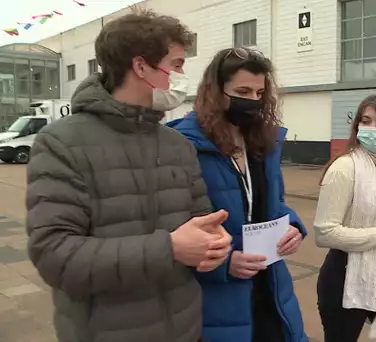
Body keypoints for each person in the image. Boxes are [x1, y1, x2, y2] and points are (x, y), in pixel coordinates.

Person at [25, 11, 232, 342]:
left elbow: (201, 222)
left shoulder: (177, 145)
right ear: (141, 67)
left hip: (186, 329)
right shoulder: (61, 143)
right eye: (176, 64)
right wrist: (170, 248)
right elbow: (55, 256)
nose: (182, 75)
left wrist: (214, 244)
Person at [166, 47, 308, 342]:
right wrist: (225, 261)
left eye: (259, 93)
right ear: (216, 92)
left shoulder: (262, 142)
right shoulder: (181, 145)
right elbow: (171, 229)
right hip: (218, 303)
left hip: (271, 290)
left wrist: (293, 225)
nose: (253, 101)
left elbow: (275, 201)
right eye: (243, 91)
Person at [313, 94, 376, 342]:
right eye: (366, 121)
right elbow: (324, 233)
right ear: (357, 126)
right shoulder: (345, 168)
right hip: (345, 274)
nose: (372, 129)